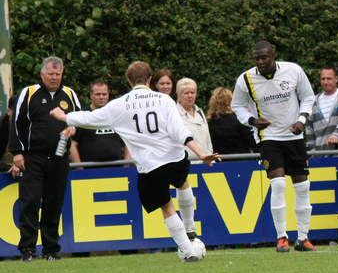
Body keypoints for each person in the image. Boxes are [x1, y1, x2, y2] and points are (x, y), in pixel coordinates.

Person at [51, 61, 219, 261]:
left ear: (129, 81)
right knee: (183, 183)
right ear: (150, 80)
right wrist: (200, 153)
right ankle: (190, 225)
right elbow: (179, 131)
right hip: (174, 158)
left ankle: (188, 252)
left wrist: (64, 117)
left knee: (167, 207)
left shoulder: (119, 105)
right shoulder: (164, 100)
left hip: (150, 166)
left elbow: (89, 118)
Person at [231, 40, 317, 252]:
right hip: (268, 137)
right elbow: (237, 105)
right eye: (256, 58)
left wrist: (302, 120)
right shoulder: (245, 79)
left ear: (273, 55)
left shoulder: (293, 70)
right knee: (278, 184)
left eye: (264, 57)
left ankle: (303, 239)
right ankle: (282, 237)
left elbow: (308, 97)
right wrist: (252, 121)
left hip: (294, 136)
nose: (260, 62)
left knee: (302, 187)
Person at [10, 56, 82, 261]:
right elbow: (16, 123)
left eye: (58, 74)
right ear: (42, 74)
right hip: (33, 158)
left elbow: (81, 119)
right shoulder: (29, 93)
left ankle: (51, 250)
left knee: (54, 204)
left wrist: (74, 129)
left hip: (59, 158)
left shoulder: (70, 94)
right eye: (51, 74)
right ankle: (27, 250)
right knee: (30, 203)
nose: (54, 77)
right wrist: (17, 152)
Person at [70, 80, 131, 165]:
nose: (101, 97)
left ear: (108, 95)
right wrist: (79, 168)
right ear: (91, 95)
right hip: (89, 170)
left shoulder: (117, 115)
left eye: (104, 94)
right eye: (98, 94)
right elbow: (72, 145)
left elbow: (128, 142)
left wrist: (126, 165)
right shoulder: (83, 117)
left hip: (117, 169)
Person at [305, 65, 338, 150]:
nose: (325, 82)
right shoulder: (313, 102)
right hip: (320, 154)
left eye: (329, 79)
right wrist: (313, 151)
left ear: (336, 79)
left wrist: (336, 135)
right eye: (323, 79)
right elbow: (309, 130)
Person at [207, 87, 256, 157]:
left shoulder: (209, 122)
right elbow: (250, 140)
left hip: (219, 160)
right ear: (230, 101)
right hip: (241, 159)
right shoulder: (238, 119)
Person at [176, 78, 213, 159]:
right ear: (179, 96)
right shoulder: (175, 114)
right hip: (187, 162)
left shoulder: (200, 112)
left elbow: (208, 140)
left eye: (192, 92)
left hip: (205, 162)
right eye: (186, 93)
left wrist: (210, 157)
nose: (190, 96)